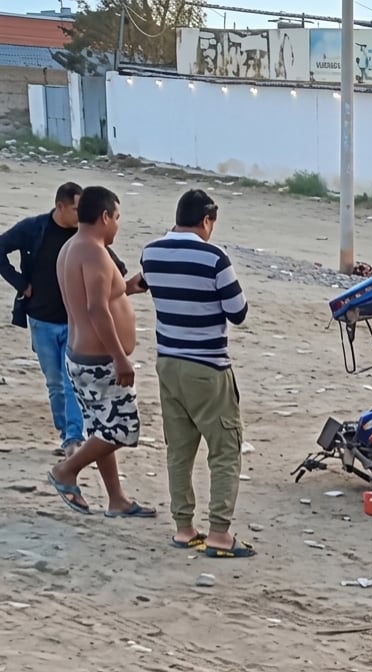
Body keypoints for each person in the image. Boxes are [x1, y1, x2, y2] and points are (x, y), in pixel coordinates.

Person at [139, 189, 254, 557]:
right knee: (224, 450)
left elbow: (144, 284)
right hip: (207, 366)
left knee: (179, 450)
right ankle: (219, 533)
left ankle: (184, 528)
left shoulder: (151, 253)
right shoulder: (214, 257)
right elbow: (238, 312)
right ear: (206, 220)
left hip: (167, 363)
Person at [47, 186, 154, 518]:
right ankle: (66, 470)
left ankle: (116, 500)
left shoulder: (70, 248)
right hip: (99, 360)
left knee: (100, 427)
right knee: (122, 428)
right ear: (105, 216)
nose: (117, 225)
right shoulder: (94, 252)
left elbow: (98, 298)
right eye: (117, 217)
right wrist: (120, 357)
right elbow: (96, 309)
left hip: (80, 356)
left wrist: (128, 287)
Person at [1, 182, 85, 457]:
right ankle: (65, 434)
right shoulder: (34, 228)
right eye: (76, 209)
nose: (81, 214)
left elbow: (111, 263)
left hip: (74, 321)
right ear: (60, 206)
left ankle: (74, 438)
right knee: (55, 384)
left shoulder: (84, 234)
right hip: (41, 321)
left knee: (71, 380)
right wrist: (20, 284)